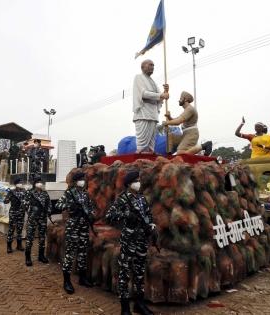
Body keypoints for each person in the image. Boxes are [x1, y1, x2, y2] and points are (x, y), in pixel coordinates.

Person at [106, 171, 157, 315]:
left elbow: (148, 215)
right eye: (136, 180)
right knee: (125, 273)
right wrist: (127, 215)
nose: (139, 183)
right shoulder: (123, 199)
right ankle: (125, 308)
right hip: (129, 241)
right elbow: (109, 216)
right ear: (129, 183)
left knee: (140, 272)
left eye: (139, 180)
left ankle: (139, 304)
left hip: (141, 240)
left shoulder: (142, 198)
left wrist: (152, 225)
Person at [55, 172, 96, 294]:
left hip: (84, 226)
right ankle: (66, 281)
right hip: (73, 226)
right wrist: (70, 206)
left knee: (83, 252)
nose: (83, 181)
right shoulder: (69, 193)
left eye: (84, 179)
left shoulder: (85, 194)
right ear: (75, 181)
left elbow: (91, 207)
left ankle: (82, 277)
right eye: (80, 179)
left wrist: (91, 214)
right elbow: (58, 205)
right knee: (70, 253)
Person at [133, 59, 169, 153]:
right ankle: (140, 155)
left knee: (151, 143)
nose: (152, 67)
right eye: (150, 65)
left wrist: (165, 92)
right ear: (143, 67)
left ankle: (150, 154)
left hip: (153, 114)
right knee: (142, 142)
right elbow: (143, 94)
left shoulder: (153, 82)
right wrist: (161, 95)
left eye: (153, 65)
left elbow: (160, 97)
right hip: (143, 112)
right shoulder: (139, 77)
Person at [162, 91, 213, 156]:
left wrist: (167, 122)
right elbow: (176, 119)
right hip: (185, 134)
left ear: (185, 99)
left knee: (180, 153)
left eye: (181, 98)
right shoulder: (186, 109)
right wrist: (169, 117)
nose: (179, 100)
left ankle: (204, 146)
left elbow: (178, 121)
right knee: (170, 136)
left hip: (191, 134)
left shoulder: (190, 109)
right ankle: (169, 154)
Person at [23, 176, 52, 266]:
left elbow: (49, 204)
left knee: (42, 237)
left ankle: (41, 256)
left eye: (41, 181)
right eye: (38, 182)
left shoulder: (45, 193)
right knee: (30, 237)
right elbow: (24, 204)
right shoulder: (29, 193)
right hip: (33, 218)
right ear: (35, 184)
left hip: (42, 218)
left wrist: (49, 211)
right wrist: (31, 211)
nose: (40, 183)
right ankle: (28, 258)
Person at [4, 178, 26, 253]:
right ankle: (9, 246)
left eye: (21, 182)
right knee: (11, 229)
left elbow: (27, 200)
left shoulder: (24, 191)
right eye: (19, 183)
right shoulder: (11, 192)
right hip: (13, 212)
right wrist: (7, 198)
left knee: (19, 229)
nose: (21, 184)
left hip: (21, 213)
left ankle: (19, 245)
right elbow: (5, 201)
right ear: (16, 184)